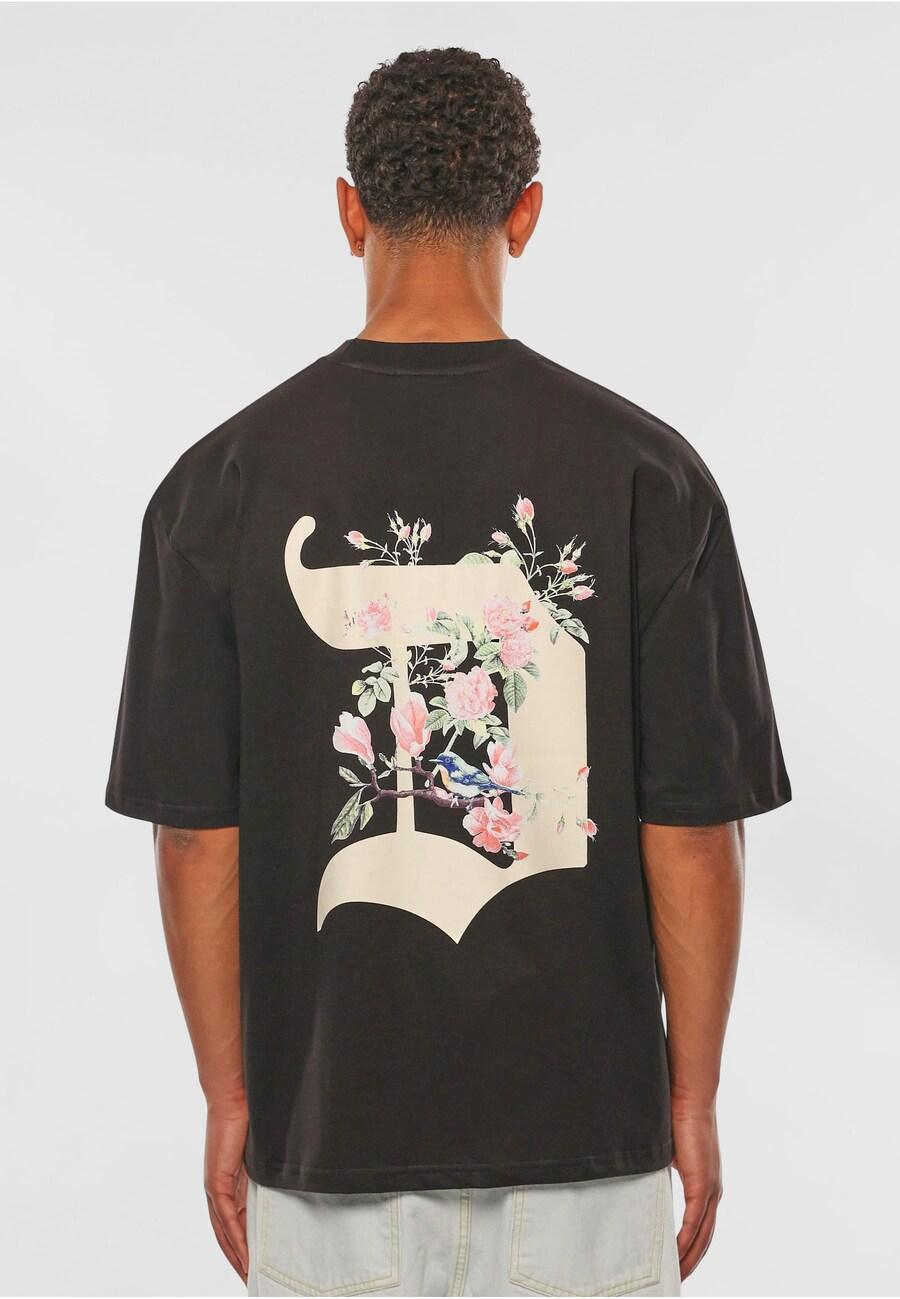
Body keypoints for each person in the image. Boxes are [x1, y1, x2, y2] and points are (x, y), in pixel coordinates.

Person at [106, 47, 790, 1298]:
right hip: (588, 1149)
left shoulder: (220, 485)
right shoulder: (650, 476)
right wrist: (692, 1099)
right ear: (525, 213)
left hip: (328, 1145)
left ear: (348, 209)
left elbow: (195, 839)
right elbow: (695, 831)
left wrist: (229, 1097)